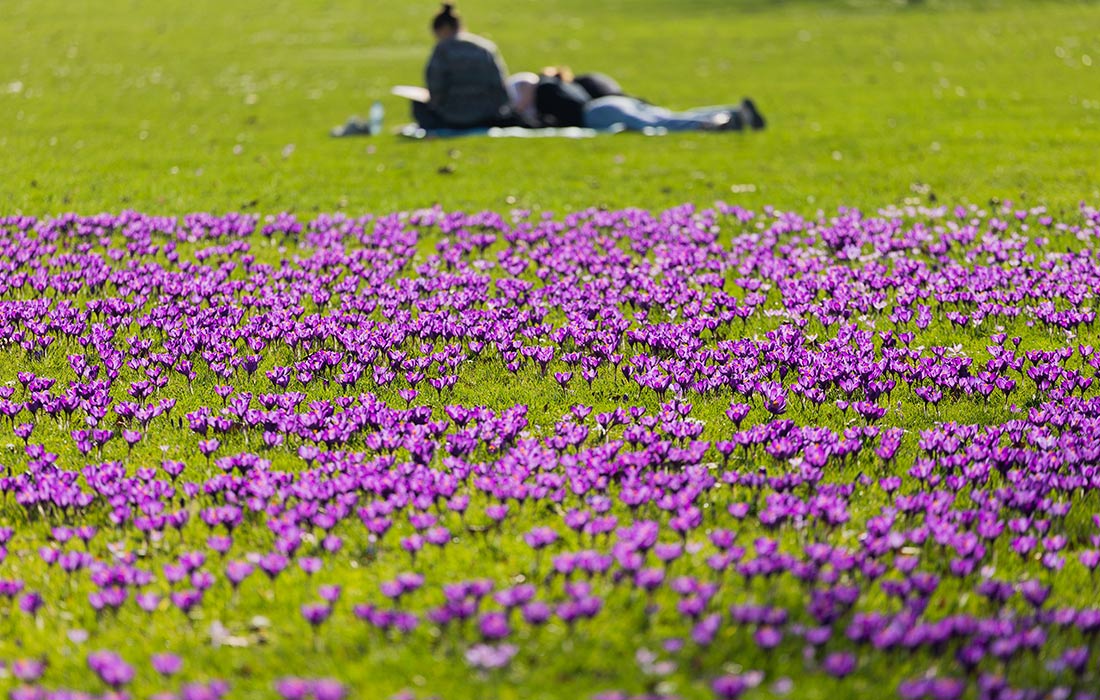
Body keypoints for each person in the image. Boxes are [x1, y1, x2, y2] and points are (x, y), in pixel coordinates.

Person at [527, 68, 765, 132]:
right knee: (669, 116)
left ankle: (714, 124)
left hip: (597, 112)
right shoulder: (571, 82)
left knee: (660, 125)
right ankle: (732, 112)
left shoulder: (543, 88)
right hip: (617, 101)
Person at [413, 4, 524, 130]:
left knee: (418, 103)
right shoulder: (485, 47)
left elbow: (435, 86)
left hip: (451, 117)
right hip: (487, 116)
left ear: (444, 29)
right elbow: (500, 84)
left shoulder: (442, 49)